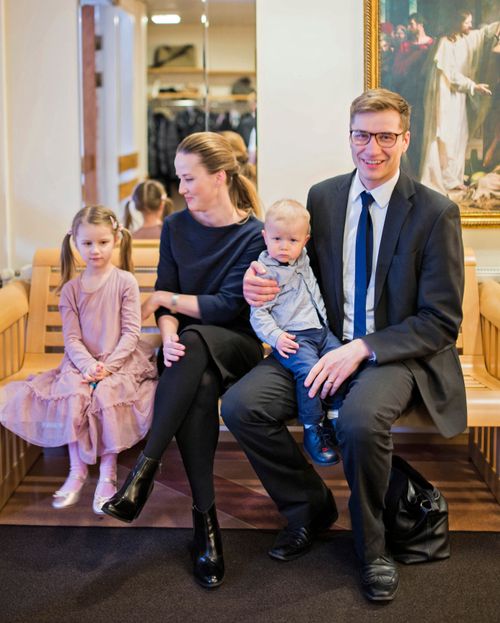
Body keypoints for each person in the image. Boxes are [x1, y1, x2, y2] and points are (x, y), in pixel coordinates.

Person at [222, 88, 466, 602]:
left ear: (404, 139)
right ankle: (309, 509)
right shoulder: (323, 198)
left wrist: (362, 349)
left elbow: (440, 322)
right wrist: (256, 284)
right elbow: (286, 264)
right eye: (361, 135)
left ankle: (373, 546)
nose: (371, 149)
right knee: (242, 406)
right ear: (349, 135)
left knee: (357, 421)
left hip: (390, 355)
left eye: (384, 136)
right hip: (317, 343)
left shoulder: (435, 212)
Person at [103, 131, 265, 589]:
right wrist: (169, 334)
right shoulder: (176, 227)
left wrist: (169, 302)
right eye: (178, 179)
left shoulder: (253, 234)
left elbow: (229, 306)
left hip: (237, 345)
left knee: (196, 350)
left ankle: (143, 473)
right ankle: (206, 523)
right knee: (199, 387)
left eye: (189, 178)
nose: (181, 189)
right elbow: (166, 305)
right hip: (190, 348)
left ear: (220, 177)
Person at [0, 206, 158, 514]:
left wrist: (107, 367)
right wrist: (88, 366)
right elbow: (71, 338)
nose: (95, 250)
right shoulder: (70, 289)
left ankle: (108, 474)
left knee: (107, 394)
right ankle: (78, 470)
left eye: (102, 242)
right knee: (74, 393)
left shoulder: (124, 281)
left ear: (116, 240)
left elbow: (131, 331)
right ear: (75, 242)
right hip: (80, 363)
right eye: (87, 243)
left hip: (120, 362)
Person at [249, 199, 342, 466]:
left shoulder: (302, 258)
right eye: (276, 238)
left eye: (292, 240)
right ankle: (313, 430)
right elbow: (258, 315)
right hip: (293, 337)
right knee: (310, 374)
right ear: (265, 236)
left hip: (320, 331)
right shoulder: (265, 274)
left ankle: (336, 418)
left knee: (339, 363)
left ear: (305, 241)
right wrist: (276, 337)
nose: (283, 246)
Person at [420, 10, 499, 195]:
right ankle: (446, 179)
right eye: (467, 23)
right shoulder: (445, 43)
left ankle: (453, 178)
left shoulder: (466, 38)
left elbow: (482, 34)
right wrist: (474, 86)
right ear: (457, 23)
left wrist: (498, 26)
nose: (470, 26)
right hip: (445, 98)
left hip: (458, 97)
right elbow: (452, 75)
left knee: (459, 136)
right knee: (446, 137)